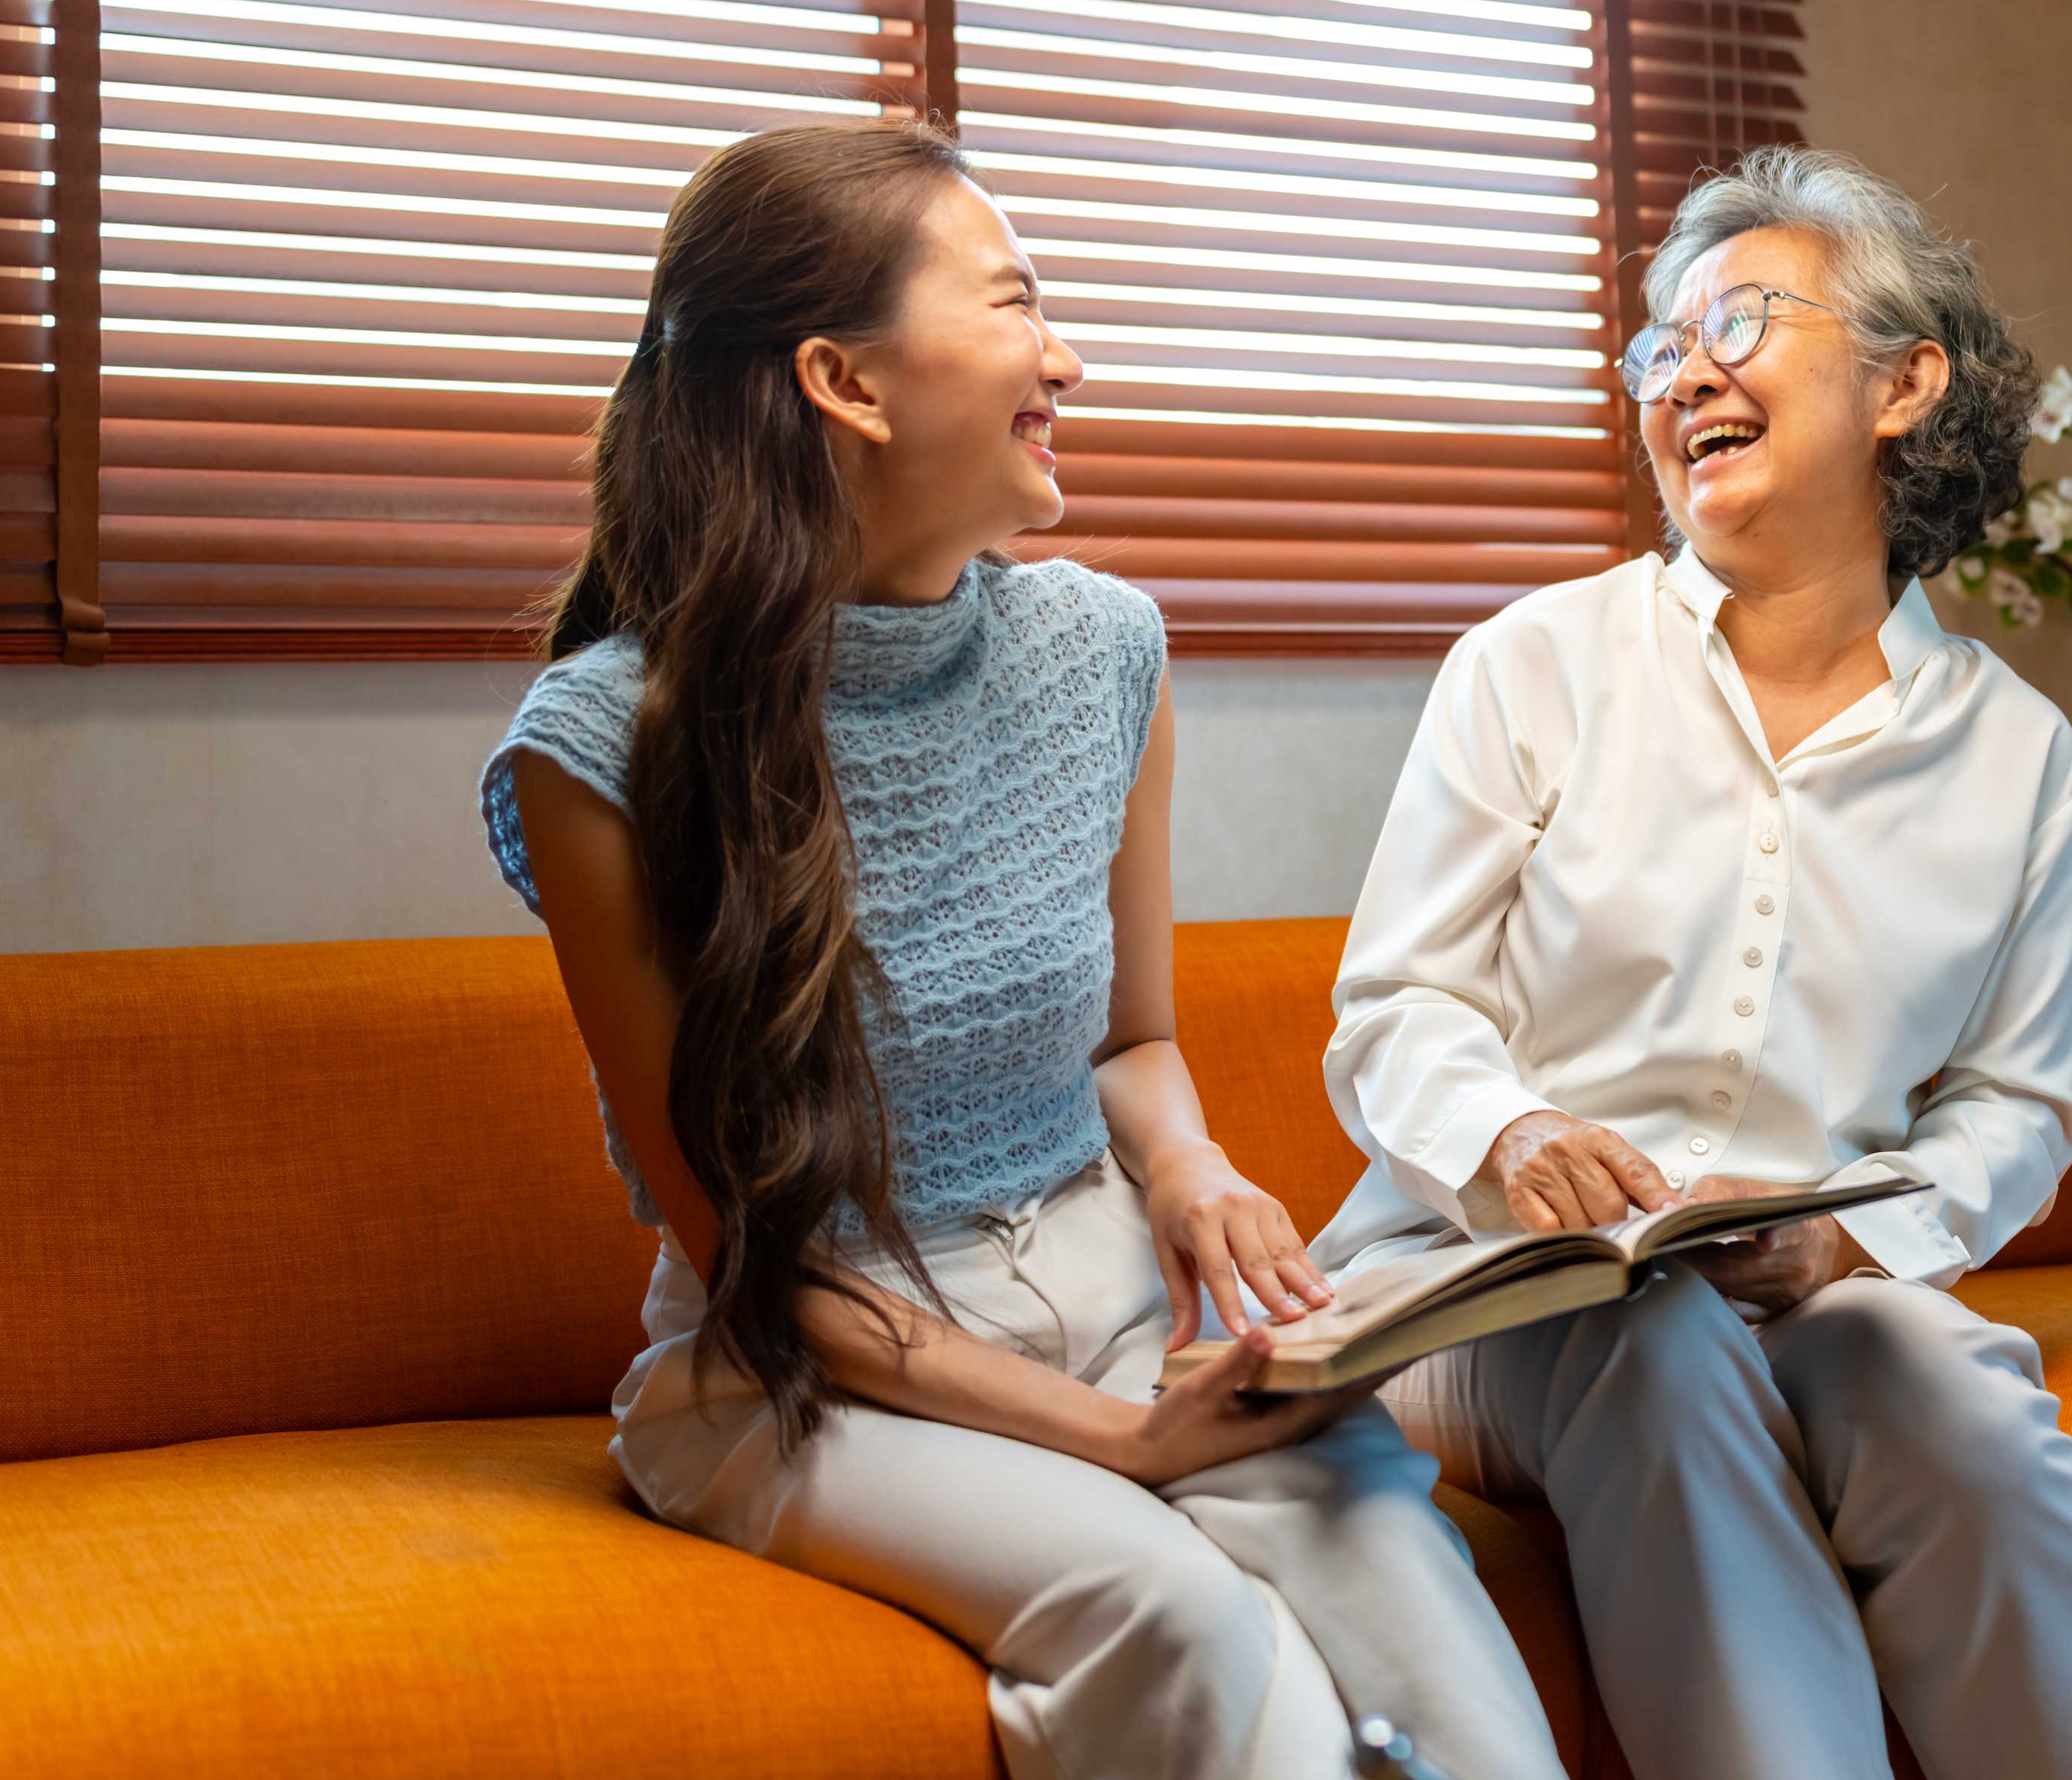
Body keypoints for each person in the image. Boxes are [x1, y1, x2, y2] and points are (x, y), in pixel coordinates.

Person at [482, 120, 1560, 1780]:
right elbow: (760, 1261)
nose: (1064, 355)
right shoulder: (603, 751)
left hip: (1117, 1284)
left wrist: (1189, 1169)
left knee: (1395, 1570)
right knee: (1184, 1618)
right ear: (844, 380)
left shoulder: (1101, 649)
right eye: (1014, 305)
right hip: (796, 1368)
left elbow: (1130, 1042)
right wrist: (1127, 1439)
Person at [1312, 146, 2072, 1780]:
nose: (1682, 372)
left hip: (1789, 1290)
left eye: (1736, 319)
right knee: (1649, 1345)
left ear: (1901, 381)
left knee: (1935, 1366)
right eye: (1657, 347)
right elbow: (1394, 1009)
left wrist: (1858, 1252)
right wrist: (1507, 1136)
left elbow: (2014, 1104)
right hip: (1484, 1288)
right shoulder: (1534, 666)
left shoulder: (2016, 756)